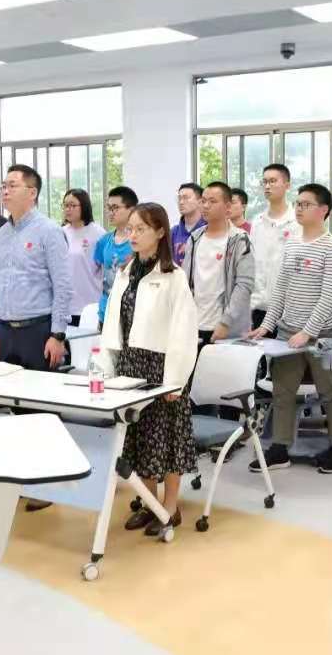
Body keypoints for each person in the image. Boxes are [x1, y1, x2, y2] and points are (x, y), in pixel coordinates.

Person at [99, 203, 199, 537]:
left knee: (166, 440)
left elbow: (184, 333)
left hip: (162, 368)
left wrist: (175, 381)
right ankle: (148, 502)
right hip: (131, 364)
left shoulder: (173, 276)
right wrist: (107, 367)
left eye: (141, 229)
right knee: (140, 439)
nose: (133, 235)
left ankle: (170, 508)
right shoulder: (126, 272)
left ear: (159, 232)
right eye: (130, 228)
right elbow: (113, 322)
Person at [247, 183, 332, 474]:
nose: (300, 208)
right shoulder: (291, 244)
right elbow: (280, 290)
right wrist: (266, 326)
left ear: (324, 210)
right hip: (287, 334)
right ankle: (280, 449)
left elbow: (328, 297)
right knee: (282, 392)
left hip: (325, 336)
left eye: (306, 204)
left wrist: (308, 332)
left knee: (331, 394)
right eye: (298, 203)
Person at [0, 164, 72, 372]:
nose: (5, 191)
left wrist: (57, 335)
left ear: (32, 193)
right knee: (8, 391)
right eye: (3, 186)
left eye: (12, 186)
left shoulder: (49, 231)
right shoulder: (0, 235)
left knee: (39, 391)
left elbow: (63, 286)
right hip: (5, 331)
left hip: (38, 331)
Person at [182, 181, 255, 345]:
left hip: (225, 329)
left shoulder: (240, 240)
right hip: (194, 325)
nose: (206, 206)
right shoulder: (194, 238)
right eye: (203, 201)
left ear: (227, 207)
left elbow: (244, 285)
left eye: (212, 201)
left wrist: (225, 323)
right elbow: (185, 282)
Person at [250, 163, 301, 331]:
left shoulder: (298, 222)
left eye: (272, 181)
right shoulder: (257, 222)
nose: (267, 186)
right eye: (264, 182)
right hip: (258, 308)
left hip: (288, 309)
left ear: (287, 185)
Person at [93, 186, 138, 326]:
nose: (110, 213)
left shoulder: (139, 241)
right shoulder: (104, 241)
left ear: (131, 209)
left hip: (132, 314)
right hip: (106, 313)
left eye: (115, 208)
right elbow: (97, 272)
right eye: (109, 208)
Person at [61, 188, 106, 326]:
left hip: (90, 305)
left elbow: (106, 269)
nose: (68, 209)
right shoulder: (60, 232)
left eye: (72, 205)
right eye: (65, 205)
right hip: (65, 307)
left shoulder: (98, 234)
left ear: (84, 206)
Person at [170, 182, 206, 264]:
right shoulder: (173, 232)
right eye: (179, 198)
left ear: (200, 201)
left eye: (186, 198)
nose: (181, 202)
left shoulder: (209, 229)